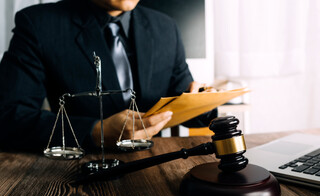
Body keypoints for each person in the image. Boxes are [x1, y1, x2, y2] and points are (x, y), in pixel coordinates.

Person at [0, 0, 216, 152]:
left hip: (152, 166)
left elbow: (183, 98)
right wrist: (95, 132)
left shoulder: (165, 26)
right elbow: (9, 118)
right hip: (76, 168)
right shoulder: (39, 24)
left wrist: (205, 102)